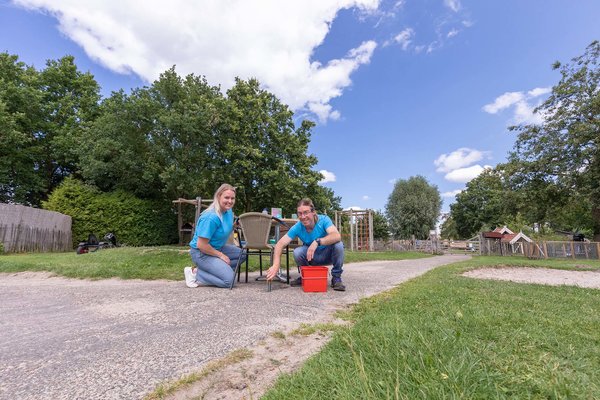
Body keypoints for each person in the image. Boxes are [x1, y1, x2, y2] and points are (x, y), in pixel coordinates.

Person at [266, 198, 346, 291]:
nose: (303, 216)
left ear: (313, 212)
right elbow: (280, 244)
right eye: (300, 213)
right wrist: (276, 265)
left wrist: (317, 242)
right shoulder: (298, 226)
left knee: (338, 245)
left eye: (306, 212)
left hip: (328, 255)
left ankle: (336, 278)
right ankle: (305, 276)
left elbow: (336, 235)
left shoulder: (324, 220)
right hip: (311, 257)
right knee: (297, 252)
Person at [184, 184, 246, 288]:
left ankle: (217, 271)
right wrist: (220, 255)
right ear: (218, 197)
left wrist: (235, 225)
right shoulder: (210, 217)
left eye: (232, 198)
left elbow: (224, 229)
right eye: (226, 197)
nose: (230, 201)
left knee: (243, 254)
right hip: (201, 253)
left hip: (217, 248)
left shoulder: (228, 211)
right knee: (230, 282)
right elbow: (201, 245)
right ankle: (195, 273)